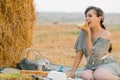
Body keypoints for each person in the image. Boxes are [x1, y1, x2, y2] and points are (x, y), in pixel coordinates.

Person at [70, 6, 120, 80]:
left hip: (106, 64)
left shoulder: (106, 34)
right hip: (91, 66)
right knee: (86, 76)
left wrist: (88, 34)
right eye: (86, 16)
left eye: (90, 16)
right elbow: (79, 53)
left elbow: (91, 53)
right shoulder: (83, 32)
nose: (86, 18)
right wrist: (72, 72)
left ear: (99, 18)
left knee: (99, 75)